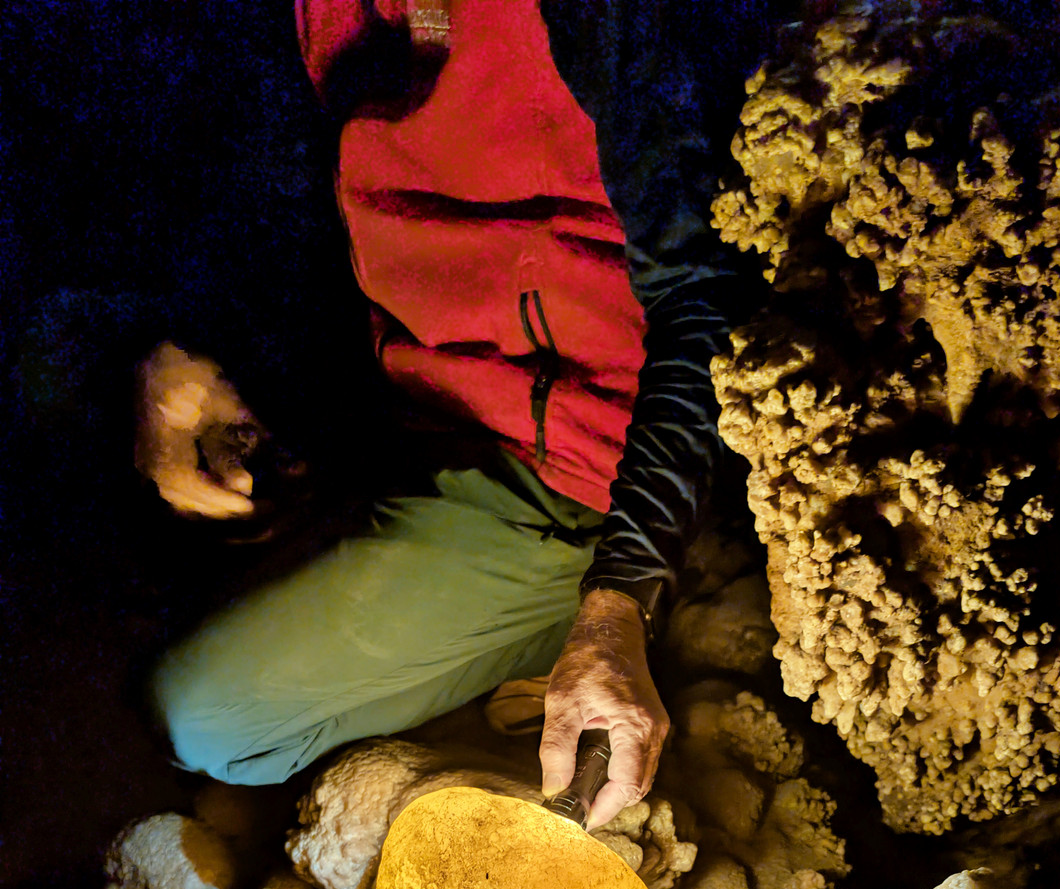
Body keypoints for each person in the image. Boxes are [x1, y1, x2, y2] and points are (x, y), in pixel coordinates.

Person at [137, 0, 777, 830]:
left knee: (203, 717)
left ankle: (586, 616)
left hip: (573, 469)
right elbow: (264, 199)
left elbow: (702, 306)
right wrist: (178, 361)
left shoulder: (597, 21)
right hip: (412, 409)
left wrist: (617, 601)